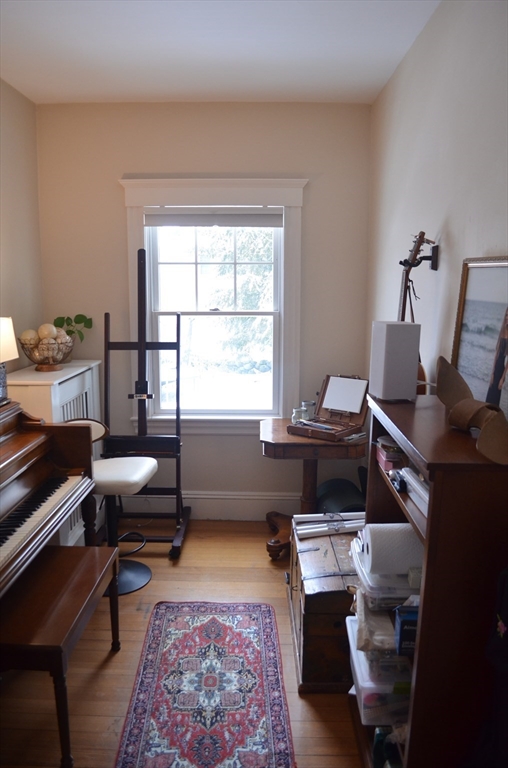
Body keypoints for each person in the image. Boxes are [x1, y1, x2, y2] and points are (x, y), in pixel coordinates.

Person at [486, 306, 508, 407]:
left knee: (495, 399)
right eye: (507, 315)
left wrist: (502, 378)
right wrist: (492, 373)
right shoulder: (502, 331)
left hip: (501, 370)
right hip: (496, 370)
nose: (507, 317)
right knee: (489, 397)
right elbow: (496, 354)